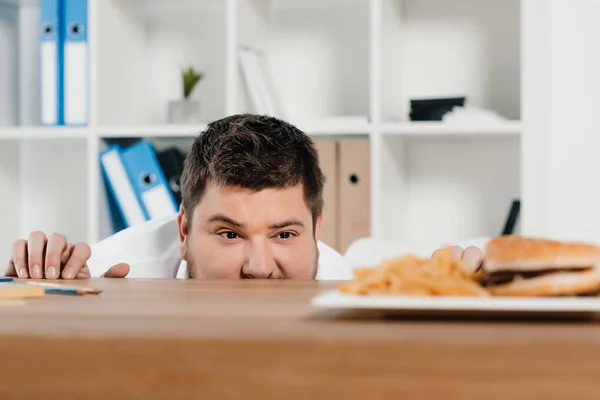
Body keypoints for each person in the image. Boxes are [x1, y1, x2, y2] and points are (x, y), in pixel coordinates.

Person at [4, 114, 484, 280]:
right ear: (185, 232)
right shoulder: (116, 270)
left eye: (285, 234)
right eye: (230, 233)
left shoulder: (352, 292)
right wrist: (24, 284)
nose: (258, 266)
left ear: (317, 230)